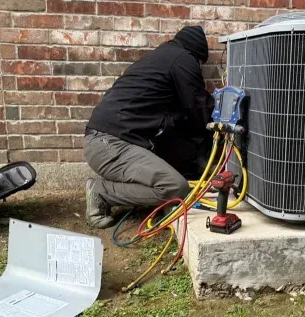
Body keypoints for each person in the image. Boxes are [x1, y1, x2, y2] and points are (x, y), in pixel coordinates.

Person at [83, 25, 215, 228]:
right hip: (109, 145)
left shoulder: (160, 59)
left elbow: (177, 117)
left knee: (186, 155)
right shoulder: (183, 59)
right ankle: (101, 192)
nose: (198, 69)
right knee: (175, 188)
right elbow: (199, 110)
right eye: (199, 64)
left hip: (107, 141)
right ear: (196, 55)